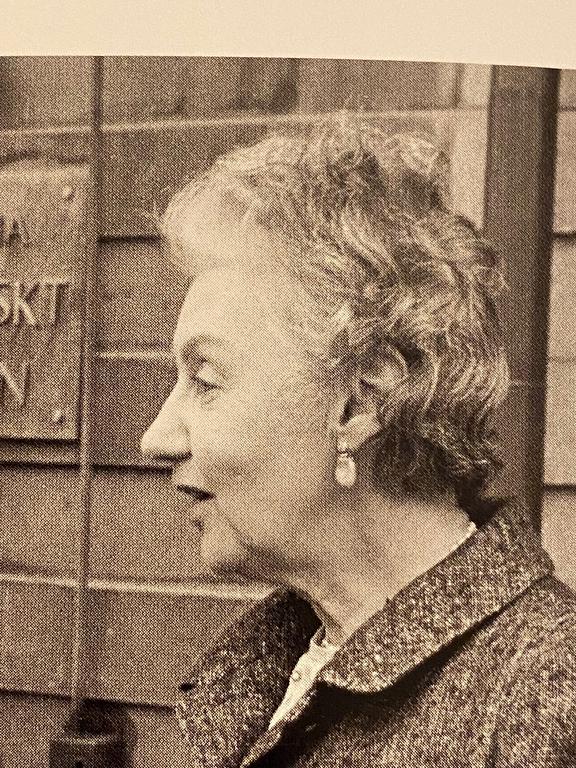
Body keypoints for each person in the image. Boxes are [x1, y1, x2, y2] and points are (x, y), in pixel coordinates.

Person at [140, 115, 576, 767]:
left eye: (205, 380)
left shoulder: (548, 694)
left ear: (360, 401)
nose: (155, 437)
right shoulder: (280, 666)